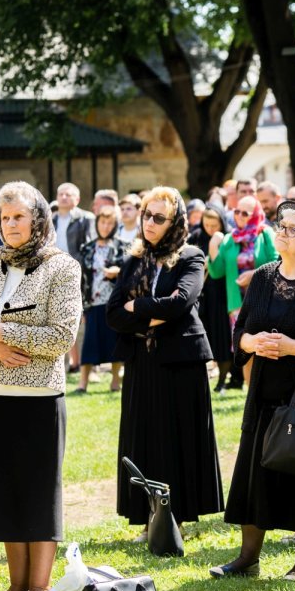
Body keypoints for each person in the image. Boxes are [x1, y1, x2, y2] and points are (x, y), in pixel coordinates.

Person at [0, 182, 81, 591]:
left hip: (38, 396)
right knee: (3, 489)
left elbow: (61, 336)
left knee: (38, 490)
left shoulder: (62, 267)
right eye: (5, 218)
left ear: (38, 219)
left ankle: (40, 587)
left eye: (19, 217)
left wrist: (2, 331)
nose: (10, 225)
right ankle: (16, 584)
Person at [213, 201, 295, 581]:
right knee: (256, 470)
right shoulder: (264, 276)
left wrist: (291, 346)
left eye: (291, 229)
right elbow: (240, 333)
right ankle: (247, 558)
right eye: (281, 226)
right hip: (266, 390)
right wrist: (253, 343)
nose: (281, 233)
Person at [107, 187, 223, 538]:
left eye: (159, 217)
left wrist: (138, 307)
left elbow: (181, 302)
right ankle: (146, 517)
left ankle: (179, 517)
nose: (150, 222)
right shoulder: (134, 260)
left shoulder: (191, 256)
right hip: (142, 358)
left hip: (180, 359)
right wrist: (151, 316)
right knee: (143, 437)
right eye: (146, 215)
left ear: (175, 222)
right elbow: (113, 313)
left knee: (179, 436)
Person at [74, 205, 126, 393]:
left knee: (114, 342)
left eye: (109, 223)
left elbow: (129, 274)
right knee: (89, 343)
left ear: (114, 225)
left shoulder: (121, 246)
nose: (105, 226)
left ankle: (115, 381)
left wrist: (118, 272)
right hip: (92, 303)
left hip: (113, 302)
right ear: (97, 223)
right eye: (102, 222)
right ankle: (82, 383)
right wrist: (80, 306)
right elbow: (80, 279)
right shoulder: (87, 248)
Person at [207, 193, 277, 325]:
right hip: (237, 307)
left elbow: (278, 263)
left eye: (245, 213)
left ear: (255, 214)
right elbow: (217, 272)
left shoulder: (265, 234)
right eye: (237, 211)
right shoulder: (230, 238)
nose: (239, 216)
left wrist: (255, 275)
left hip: (265, 304)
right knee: (239, 344)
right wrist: (212, 246)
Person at [188, 204, 235, 391]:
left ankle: (223, 379)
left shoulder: (228, 238)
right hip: (200, 294)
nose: (210, 228)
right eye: (207, 224)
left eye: (214, 225)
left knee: (222, 336)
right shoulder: (197, 236)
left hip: (221, 294)